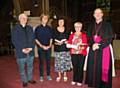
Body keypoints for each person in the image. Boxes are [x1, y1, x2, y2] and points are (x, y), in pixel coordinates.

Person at [85, 8, 114, 88]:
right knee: (92, 68)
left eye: (99, 13)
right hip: (93, 49)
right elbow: (88, 37)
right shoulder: (91, 25)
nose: (97, 14)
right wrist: (92, 45)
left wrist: (99, 45)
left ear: (102, 14)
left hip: (103, 49)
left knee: (102, 68)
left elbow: (110, 37)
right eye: (95, 13)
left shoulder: (107, 25)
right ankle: (93, 84)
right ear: (94, 15)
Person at [11, 13, 36, 87]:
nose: (24, 19)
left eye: (25, 18)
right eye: (22, 18)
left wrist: (31, 48)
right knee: (22, 68)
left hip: (30, 52)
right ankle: (24, 81)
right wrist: (22, 49)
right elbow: (14, 41)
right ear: (19, 19)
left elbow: (33, 39)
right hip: (20, 52)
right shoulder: (15, 29)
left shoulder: (30, 28)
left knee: (30, 67)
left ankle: (30, 79)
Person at [67, 22, 88, 86]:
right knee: (75, 67)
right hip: (73, 53)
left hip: (81, 53)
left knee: (80, 67)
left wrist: (82, 47)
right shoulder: (71, 35)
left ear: (81, 27)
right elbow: (69, 44)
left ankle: (79, 80)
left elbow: (86, 45)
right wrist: (69, 45)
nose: (77, 28)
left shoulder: (84, 35)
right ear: (74, 27)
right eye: (76, 27)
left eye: (79, 27)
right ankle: (74, 79)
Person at [53, 18, 72, 82]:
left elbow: (70, 39)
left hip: (65, 49)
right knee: (58, 63)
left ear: (64, 22)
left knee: (65, 62)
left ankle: (65, 75)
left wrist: (67, 41)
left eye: (62, 21)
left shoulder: (68, 30)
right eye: (60, 21)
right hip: (58, 49)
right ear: (58, 22)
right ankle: (59, 75)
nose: (61, 22)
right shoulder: (54, 30)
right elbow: (53, 40)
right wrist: (57, 42)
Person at [35, 14, 53, 82]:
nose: (46, 19)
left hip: (48, 47)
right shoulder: (37, 28)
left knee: (48, 62)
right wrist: (42, 46)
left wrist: (49, 45)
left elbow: (51, 38)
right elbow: (36, 39)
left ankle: (48, 75)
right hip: (40, 48)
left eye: (46, 18)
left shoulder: (49, 28)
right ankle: (41, 76)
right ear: (41, 19)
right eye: (44, 18)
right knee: (41, 62)